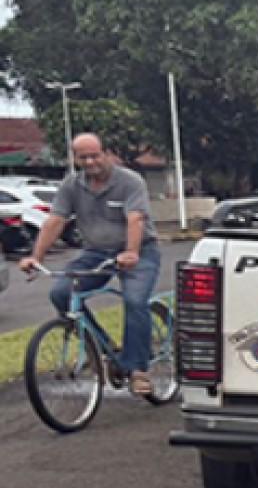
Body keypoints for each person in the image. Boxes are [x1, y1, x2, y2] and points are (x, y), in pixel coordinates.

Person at [18, 134, 161, 395]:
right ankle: (102, 349)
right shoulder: (72, 186)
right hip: (97, 252)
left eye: (95, 155)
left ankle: (139, 369)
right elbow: (55, 221)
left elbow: (136, 218)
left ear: (107, 153)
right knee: (61, 293)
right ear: (75, 158)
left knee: (135, 300)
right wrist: (35, 257)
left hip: (140, 250)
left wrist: (131, 252)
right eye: (83, 157)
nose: (90, 161)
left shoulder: (129, 181)